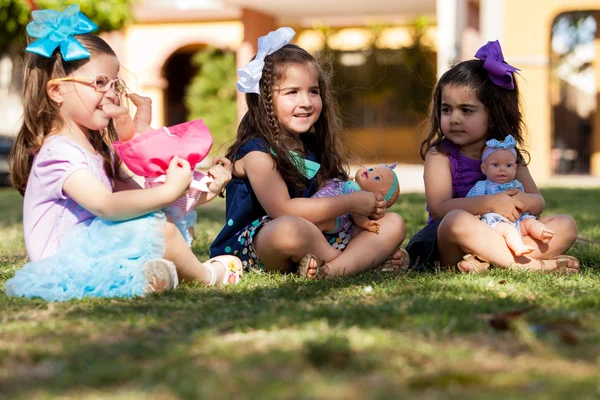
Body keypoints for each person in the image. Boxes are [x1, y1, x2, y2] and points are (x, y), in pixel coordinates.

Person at [5, 5, 242, 302]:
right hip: (64, 265)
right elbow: (106, 204)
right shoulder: (58, 153)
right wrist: (169, 191)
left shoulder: (97, 147)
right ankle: (208, 275)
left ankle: (153, 276)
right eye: (99, 83)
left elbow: (140, 194)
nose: (112, 93)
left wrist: (205, 187)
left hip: (99, 249)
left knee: (156, 216)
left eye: (115, 84)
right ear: (56, 91)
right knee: (160, 228)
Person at [210, 27, 406, 278]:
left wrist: (363, 210)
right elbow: (283, 210)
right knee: (291, 228)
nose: (306, 101)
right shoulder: (257, 154)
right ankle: (356, 262)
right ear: (264, 100)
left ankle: (331, 270)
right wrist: (351, 202)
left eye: (313, 91)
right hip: (263, 245)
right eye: (292, 92)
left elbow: (330, 197)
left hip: (318, 240)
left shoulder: (311, 146)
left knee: (393, 223)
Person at [405, 40, 579, 274]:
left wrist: (521, 201)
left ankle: (487, 262)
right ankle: (529, 266)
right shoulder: (441, 155)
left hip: (508, 232)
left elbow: (537, 201)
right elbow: (439, 209)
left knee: (566, 224)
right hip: (453, 244)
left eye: (466, 110)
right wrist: (492, 203)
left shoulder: (508, 153)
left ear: (494, 113)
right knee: (455, 220)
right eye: (447, 109)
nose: (454, 118)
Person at [108, 94, 220, 245]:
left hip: (166, 168)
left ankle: (137, 109)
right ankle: (124, 115)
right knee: (130, 139)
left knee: (135, 134)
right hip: (164, 169)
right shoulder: (181, 215)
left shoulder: (183, 213)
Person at [466, 135, 555, 256]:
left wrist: (526, 203)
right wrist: (473, 215)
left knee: (529, 223)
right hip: (496, 223)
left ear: (515, 168)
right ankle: (518, 248)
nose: (502, 170)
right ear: (484, 168)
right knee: (508, 230)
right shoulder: (481, 186)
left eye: (508, 166)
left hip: (518, 220)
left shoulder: (517, 184)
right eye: (496, 165)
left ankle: (541, 233)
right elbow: (471, 202)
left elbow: (527, 202)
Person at [311, 163, 400, 249]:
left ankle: (313, 245)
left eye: (377, 178)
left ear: (376, 196)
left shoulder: (362, 198)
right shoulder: (348, 183)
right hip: (317, 206)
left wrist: (366, 223)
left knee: (317, 225)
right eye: (371, 169)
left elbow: (357, 215)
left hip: (336, 218)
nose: (370, 172)